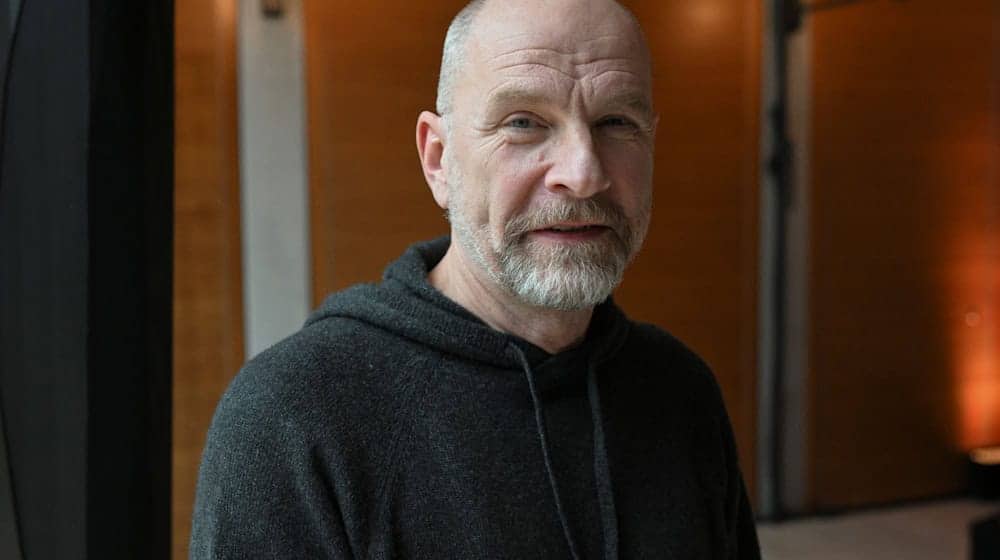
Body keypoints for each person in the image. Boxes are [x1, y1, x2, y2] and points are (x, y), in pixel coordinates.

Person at [190, 0, 761, 558]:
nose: (583, 173)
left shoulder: (678, 388)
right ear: (438, 160)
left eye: (616, 122)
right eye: (523, 123)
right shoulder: (293, 418)